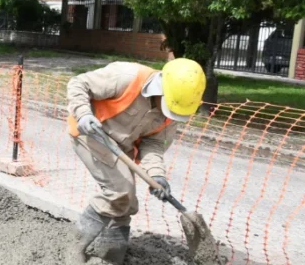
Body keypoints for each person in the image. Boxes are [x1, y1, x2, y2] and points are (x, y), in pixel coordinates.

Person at [65, 59, 206, 264]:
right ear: (161, 88)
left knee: (127, 201)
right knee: (120, 191)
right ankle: (74, 246)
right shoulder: (127, 77)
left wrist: (157, 175)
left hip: (121, 147)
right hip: (92, 134)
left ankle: (112, 254)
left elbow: (153, 144)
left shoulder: (172, 112)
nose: (170, 115)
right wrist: (83, 113)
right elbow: (78, 83)